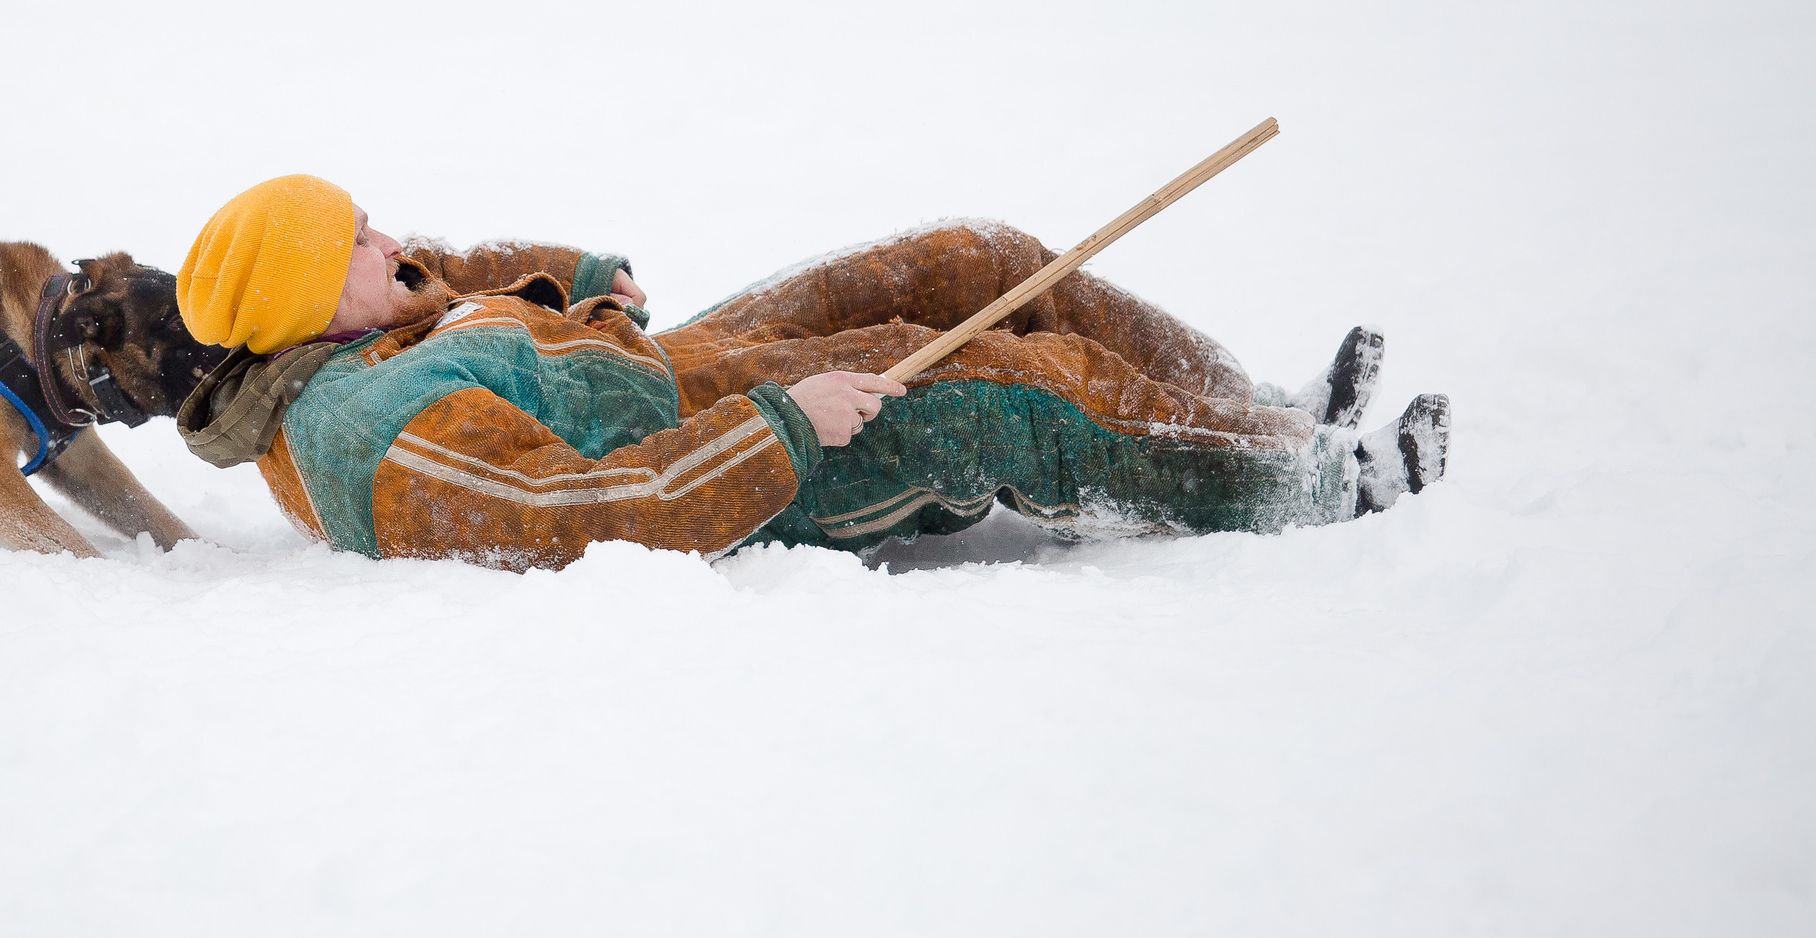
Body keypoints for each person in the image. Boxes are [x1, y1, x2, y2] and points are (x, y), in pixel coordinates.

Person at [173, 175, 1448, 569]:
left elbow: (465, 261)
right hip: (739, 462)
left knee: (969, 257)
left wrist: (584, 273)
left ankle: (1248, 408)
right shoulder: (375, 435)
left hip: (677, 366)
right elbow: (578, 517)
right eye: (355, 242)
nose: (390, 244)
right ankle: (1303, 483)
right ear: (301, 303)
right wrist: (783, 426)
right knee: (1004, 383)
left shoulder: (359, 314)